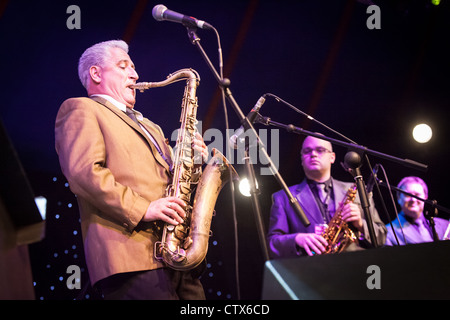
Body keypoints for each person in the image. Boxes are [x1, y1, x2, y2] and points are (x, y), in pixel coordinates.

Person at [55, 40, 209, 299]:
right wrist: (143, 208)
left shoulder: (152, 127)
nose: (135, 74)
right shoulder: (81, 108)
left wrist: (192, 160)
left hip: (176, 254)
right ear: (96, 73)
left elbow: (175, 181)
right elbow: (84, 173)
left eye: (134, 67)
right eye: (123, 66)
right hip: (131, 258)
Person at [267, 135, 387, 258]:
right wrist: (297, 239)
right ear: (301, 159)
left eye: (320, 150)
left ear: (332, 157)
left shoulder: (358, 191)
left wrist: (360, 224)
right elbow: (272, 244)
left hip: (353, 267)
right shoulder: (283, 197)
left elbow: (382, 238)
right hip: (309, 271)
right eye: (307, 151)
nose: (313, 154)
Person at [385, 176, 449, 246]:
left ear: (425, 197)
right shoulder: (388, 233)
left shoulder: (446, 226)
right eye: (408, 195)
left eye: (417, 195)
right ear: (398, 198)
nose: (413, 200)